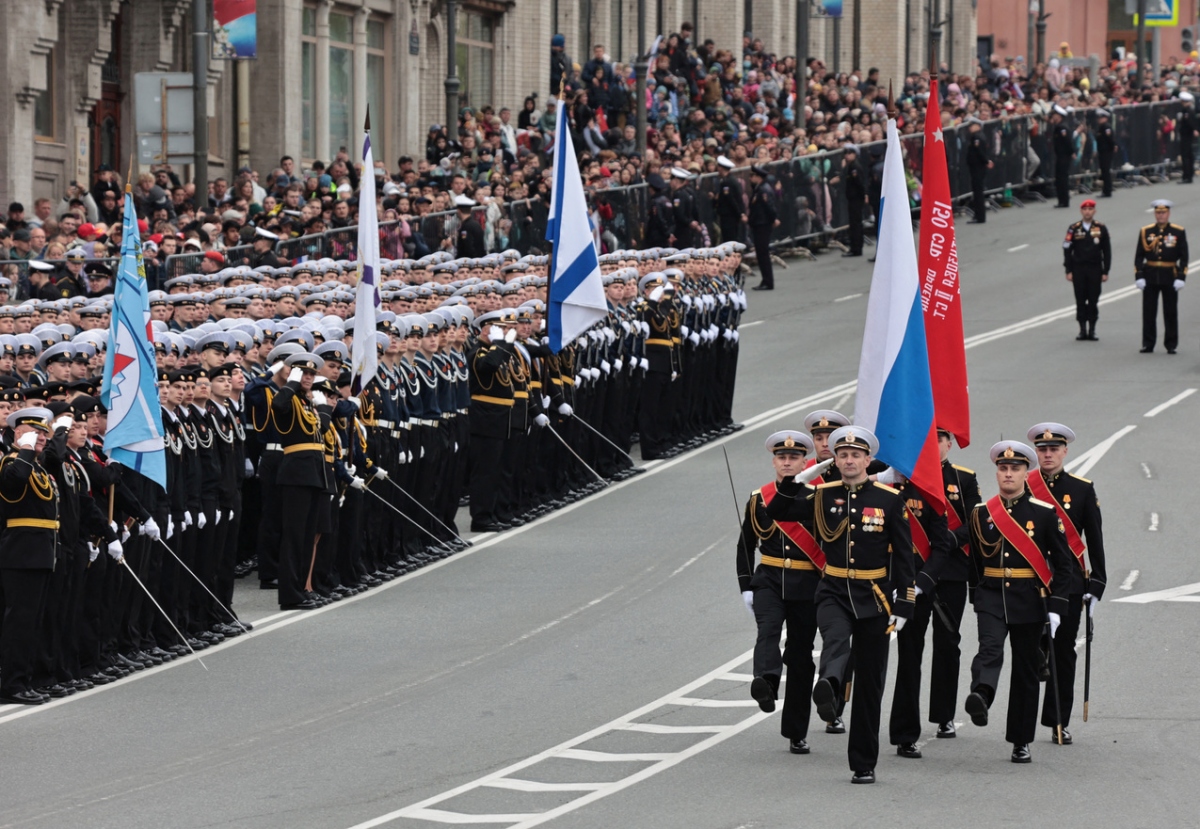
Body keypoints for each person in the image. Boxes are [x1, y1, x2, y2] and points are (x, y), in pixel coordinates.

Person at [764, 426, 915, 784]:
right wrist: (800, 478)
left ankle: (863, 763)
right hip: (833, 588)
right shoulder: (822, 495)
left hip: (874, 595)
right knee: (834, 637)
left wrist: (904, 603)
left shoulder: (889, 500)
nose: (849, 460)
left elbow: (904, 556)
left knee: (870, 683)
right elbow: (778, 511)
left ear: (867, 460)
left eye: (855, 455)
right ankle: (829, 685)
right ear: (835, 460)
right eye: (842, 455)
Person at [959, 441, 1072, 764]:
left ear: (1026, 473)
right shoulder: (981, 513)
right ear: (997, 473)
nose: (1008, 473)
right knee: (989, 649)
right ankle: (982, 695)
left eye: (1015, 468)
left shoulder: (1044, 514)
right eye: (1003, 468)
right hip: (992, 595)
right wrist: (976, 596)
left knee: (1025, 669)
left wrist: (1057, 607)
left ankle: (1020, 740)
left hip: (1029, 598)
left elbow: (1063, 564)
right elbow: (975, 561)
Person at [737, 430, 825, 754]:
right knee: (769, 629)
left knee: (801, 656)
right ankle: (766, 682)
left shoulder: (817, 497)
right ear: (774, 462)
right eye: (782, 457)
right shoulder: (758, 498)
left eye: (794, 458)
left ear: (805, 462)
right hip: (770, 580)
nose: (787, 462)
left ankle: (796, 730)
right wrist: (746, 586)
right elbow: (746, 545)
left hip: (807, 584)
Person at [1026, 423, 1106, 745]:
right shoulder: (1023, 485)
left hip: (1069, 582)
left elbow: (1095, 539)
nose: (1047, 454)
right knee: (1031, 647)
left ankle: (1058, 721)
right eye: (1042, 449)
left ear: (1064, 452)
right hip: (1030, 579)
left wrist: (1097, 583)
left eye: (1053, 449)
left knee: (1063, 652)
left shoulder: (1082, 490)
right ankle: (1023, 722)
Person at [887, 467, 955, 759]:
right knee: (868, 661)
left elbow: (940, 547)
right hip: (873, 584)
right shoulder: (877, 486)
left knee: (909, 659)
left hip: (913, 588)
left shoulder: (930, 495)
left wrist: (918, 586)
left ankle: (905, 735)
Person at [1135, 199, 1188, 353]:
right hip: (1150, 274)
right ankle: (1148, 343)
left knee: (1170, 312)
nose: (1161, 215)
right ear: (1155, 214)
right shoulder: (1146, 231)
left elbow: (1184, 257)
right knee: (1149, 312)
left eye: (1163, 212)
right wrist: (1139, 275)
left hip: (1169, 275)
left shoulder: (1178, 231)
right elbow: (1139, 256)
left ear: (1168, 213)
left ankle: (1171, 344)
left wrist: (1181, 277)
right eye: (1158, 213)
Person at [1062, 199, 1111, 341]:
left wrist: (1105, 271)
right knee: (1080, 299)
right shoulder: (1074, 228)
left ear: (1094, 211)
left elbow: (1107, 251)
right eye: (1085, 209)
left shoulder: (1101, 228)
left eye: (1090, 209)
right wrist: (1068, 270)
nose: (1087, 212)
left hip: (1095, 269)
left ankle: (1092, 329)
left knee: (1093, 300)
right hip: (1078, 269)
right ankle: (1082, 329)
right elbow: (1067, 249)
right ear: (1081, 211)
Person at [748, 165, 777, 290]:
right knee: (761, 254)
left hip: (762, 224)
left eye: (753, 176)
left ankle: (768, 281)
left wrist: (773, 220)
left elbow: (769, 207)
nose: (751, 178)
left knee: (763, 254)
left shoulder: (763, 190)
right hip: (759, 224)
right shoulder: (759, 188)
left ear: (758, 177)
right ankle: (765, 280)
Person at [714, 156, 746, 246]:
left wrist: (740, 213)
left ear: (721, 168)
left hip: (729, 215)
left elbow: (731, 199)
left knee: (729, 239)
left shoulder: (726, 182)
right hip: (731, 215)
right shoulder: (731, 180)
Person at [966, 118, 993, 223]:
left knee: (978, 192)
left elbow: (979, 151)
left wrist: (986, 161)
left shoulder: (977, 137)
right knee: (977, 191)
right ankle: (978, 214)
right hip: (977, 167)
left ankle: (980, 216)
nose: (970, 128)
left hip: (977, 167)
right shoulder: (978, 136)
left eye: (972, 125)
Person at [1051, 105, 1074, 208]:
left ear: (1059, 116)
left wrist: (1071, 152)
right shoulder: (1059, 126)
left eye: (1055, 115)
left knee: (1062, 178)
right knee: (1060, 178)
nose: (1053, 117)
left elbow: (1067, 141)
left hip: (1063, 156)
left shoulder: (1062, 128)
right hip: (1061, 155)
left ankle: (1064, 200)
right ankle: (1062, 200)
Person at [1094, 109, 1115, 197]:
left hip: (1106, 152)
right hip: (1102, 151)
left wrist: (1112, 148)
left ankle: (1107, 190)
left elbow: (1110, 139)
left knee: (1106, 171)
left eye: (1101, 118)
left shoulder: (1106, 127)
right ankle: (1106, 189)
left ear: (1105, 118)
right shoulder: (1101, 127)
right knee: (1104, 171)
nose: (1099, 119)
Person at [1179, 92, 1196, 184]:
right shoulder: (1190, 110)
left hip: (1186, 135)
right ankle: (1189, 174)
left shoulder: (1186, 111)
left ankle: (1187, 175)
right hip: (1188, 135)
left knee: (1186, 155)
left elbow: (1189, 123)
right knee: (1189, 155)